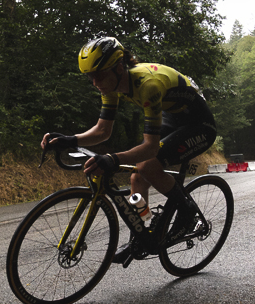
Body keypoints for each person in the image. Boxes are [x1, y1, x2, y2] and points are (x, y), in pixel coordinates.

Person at [42, 36, 217, 264]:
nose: (95, 82)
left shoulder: (148, 85)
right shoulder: (111, 84)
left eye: (99, 75)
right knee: (137, 176)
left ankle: (186, 211)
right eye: (90, 77)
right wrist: (71, 140)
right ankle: (143, 228)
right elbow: (103, 130)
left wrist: (112, 159)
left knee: (147, 164)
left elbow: (150, 147)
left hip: (199, 125)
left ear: (117, 67)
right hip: (174, 116)